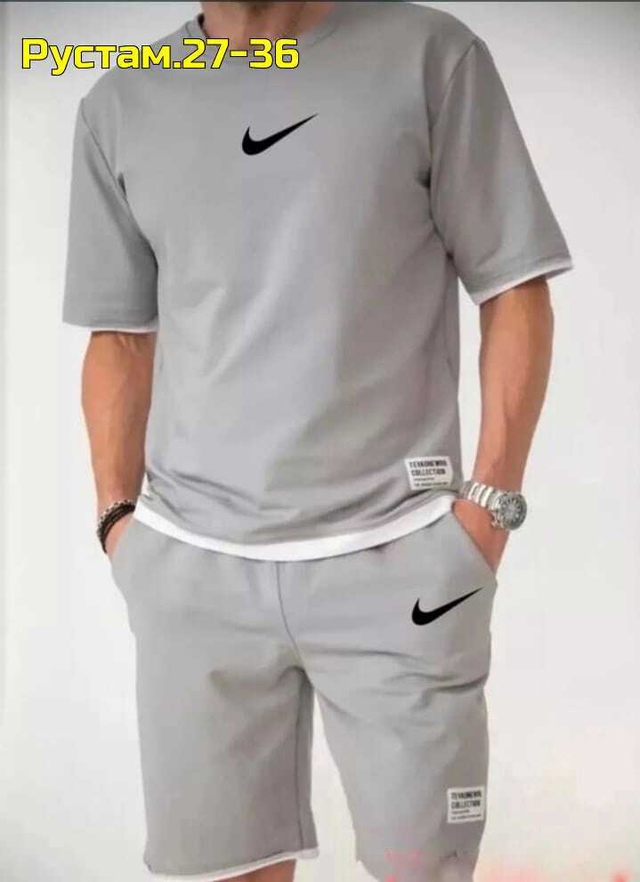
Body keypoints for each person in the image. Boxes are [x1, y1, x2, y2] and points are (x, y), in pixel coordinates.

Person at [62, 2, 573, 881]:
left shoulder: (432, 57)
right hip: (194, 573)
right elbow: (117, 335)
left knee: (424, 869)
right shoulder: (121, 101)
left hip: (401, 563)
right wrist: (118, 522)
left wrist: (487, 509)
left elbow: (514, 285)